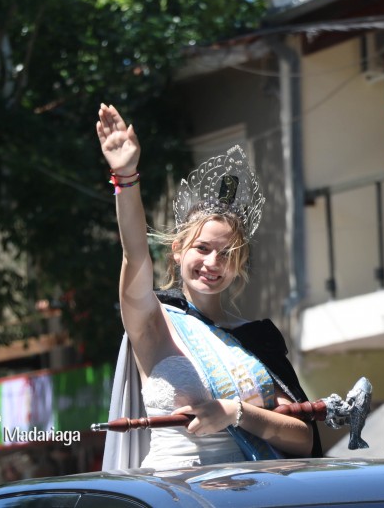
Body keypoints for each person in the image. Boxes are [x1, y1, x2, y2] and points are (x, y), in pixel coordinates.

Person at [95, 104, 320, 471]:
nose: (213, 263)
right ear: (178, 250)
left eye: (227, 254)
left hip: (254, 494)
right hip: (175, 492)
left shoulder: (256, 339)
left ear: (240, 265)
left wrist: (236, 412)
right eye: (202, 248)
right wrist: (125, 176)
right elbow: (134, 254)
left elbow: (302, 438)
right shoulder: (152, 320)